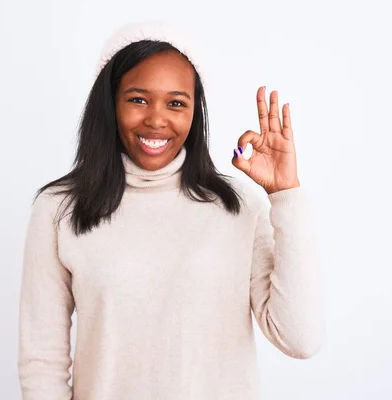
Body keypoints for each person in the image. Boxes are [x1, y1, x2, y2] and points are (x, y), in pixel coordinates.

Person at [17, 21, 325, 400]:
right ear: (110, 104)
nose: (157, 119)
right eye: (138, 99)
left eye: (176, 103)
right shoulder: (59, 209)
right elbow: (42, 364)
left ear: (195, 112)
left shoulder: (239, 206)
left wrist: (286, 195)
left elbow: (300, 338)